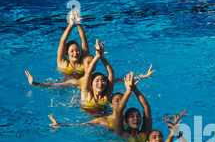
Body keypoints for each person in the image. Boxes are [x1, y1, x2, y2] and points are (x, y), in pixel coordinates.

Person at [25, 63, 155, 89]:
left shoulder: (102, 80)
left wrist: (144, 76)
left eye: (93, 62)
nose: (91, 65)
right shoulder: (77, 82)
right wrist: (35, 83)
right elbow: (55, 85)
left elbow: (123, 80)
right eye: (88, 63)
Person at [114, 72, 153, 142]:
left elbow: (146, 108)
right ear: (125, 120)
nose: (136, 119)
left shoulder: (144, 133)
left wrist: (135, 89)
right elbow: (119, 112)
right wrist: (128, 91)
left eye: (138, 116)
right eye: (132, 117)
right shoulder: (121, 133)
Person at [47, 92, 124, 128]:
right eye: (117, 101)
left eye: (123, 100)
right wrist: (60, 125)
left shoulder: (129, 118)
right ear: (111, 105)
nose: (120, 102)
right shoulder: (104, 120)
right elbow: (82, 124)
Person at [80, 39, 114, 114]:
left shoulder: (106, 96)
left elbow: (111, 73)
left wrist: (102, 56)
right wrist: (97, 56)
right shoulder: (87, 94)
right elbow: (88, 72)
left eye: (103, 80)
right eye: (97, 81)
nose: (100, 83)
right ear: (91, 83)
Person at [57, 9, 89, 78]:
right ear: (66, 53)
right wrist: (71, 24)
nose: (75, 53)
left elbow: (84, 40)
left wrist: (78, 23)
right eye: (72, 51)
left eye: (77, 50)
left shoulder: (84, 63)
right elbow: (62, 42)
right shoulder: (64, 64)